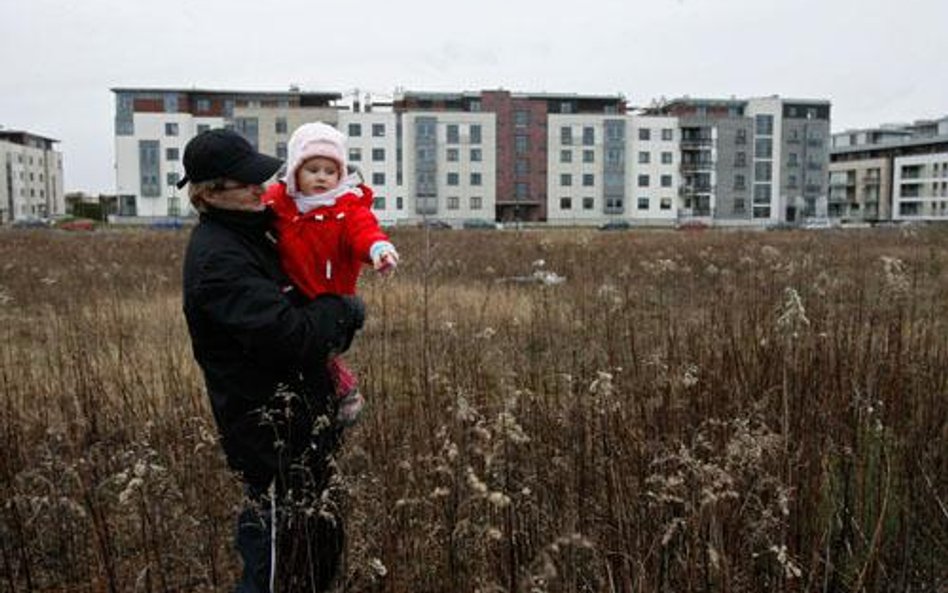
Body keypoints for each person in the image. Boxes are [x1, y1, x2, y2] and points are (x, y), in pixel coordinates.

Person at [180, 128, 364, 592]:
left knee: (317, 548)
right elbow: (293, 337)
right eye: (247, 182)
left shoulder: (255, 234)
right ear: (211, 193)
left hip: (302, 423)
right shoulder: (219, 262)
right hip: (271, 437)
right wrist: (345, 309)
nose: (262, 188)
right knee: (276, 560)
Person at [262, 121, 398, 426]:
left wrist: (379, 250)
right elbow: (255, 215)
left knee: (323, 353)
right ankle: (302, 410)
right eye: (313, 169)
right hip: (290, 291)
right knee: (296, 352)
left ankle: (346, 392)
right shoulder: (279, 203)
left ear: (340, 174)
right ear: (296, 171)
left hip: (330, 293)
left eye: (330, 170)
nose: (322, 177)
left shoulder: (348, 207)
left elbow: (365, 232)